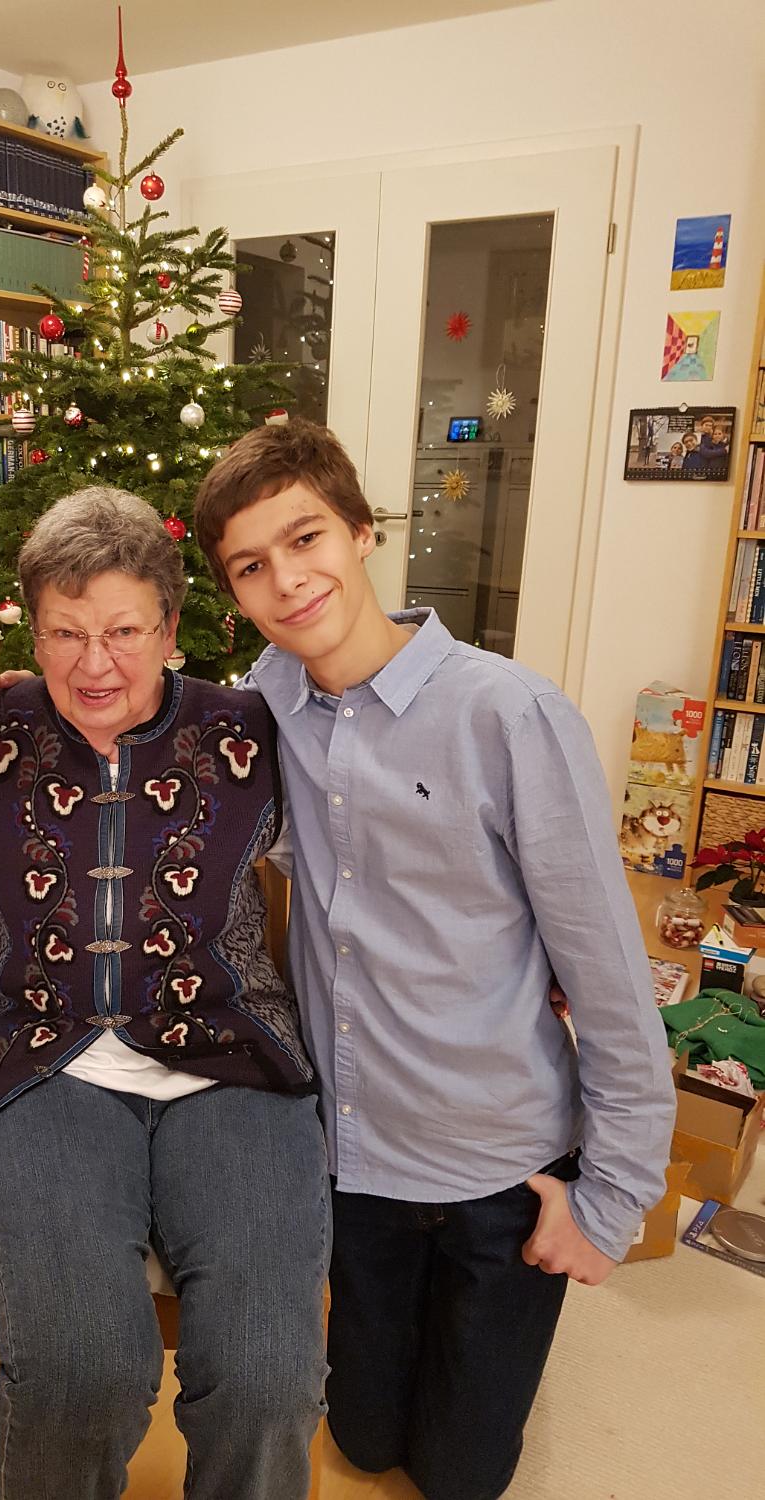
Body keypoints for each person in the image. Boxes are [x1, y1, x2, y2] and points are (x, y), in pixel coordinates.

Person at [192, 419, 677, 1500]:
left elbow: (607, 974)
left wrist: (611, 1198)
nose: (288, 579)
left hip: (500, 1166)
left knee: (461, 1476)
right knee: (362, 1442)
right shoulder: (266, 703)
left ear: (362, 532)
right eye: (251, 566)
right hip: (357, 1160)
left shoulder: (509, 715)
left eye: (305, 539)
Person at [0, 487, 329, 1500]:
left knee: (266, 1380)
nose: (94, 664)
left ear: (169, 626)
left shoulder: (254, 729)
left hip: (234, 1063)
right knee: (82, 1372)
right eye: (64, 633)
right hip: (39, 1064)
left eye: (123, 631)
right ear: (31, 630)